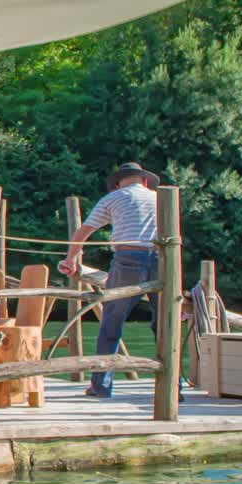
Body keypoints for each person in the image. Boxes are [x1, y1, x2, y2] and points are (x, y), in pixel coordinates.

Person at [59, 162, 160, 398]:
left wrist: (71, 260)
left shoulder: (113, 198)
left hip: (128, 259)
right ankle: (173, 389)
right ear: (144, 181)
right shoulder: (160, 199)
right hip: (162, 261)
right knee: (164, 324)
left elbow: (83, 231)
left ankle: (101, 385)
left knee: (111, 322)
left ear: (117, 183)